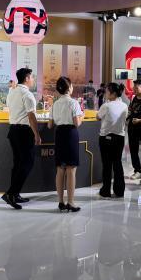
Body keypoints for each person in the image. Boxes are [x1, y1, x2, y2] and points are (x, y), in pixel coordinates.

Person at [2, 68, 41, 210]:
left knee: (18, 164)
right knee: (27, 163)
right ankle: (11, 193)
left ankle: (15, 194)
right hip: (24, 132)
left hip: (13, 131)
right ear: (27, 78)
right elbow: (31, 117)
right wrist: (37, 134)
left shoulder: (12, 91)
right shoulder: (27, 95)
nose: (33, 79)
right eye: (32, 77)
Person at [48, 76, 84, 212]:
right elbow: (77, 123)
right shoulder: (73, 103)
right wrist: (82, 116)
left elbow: (50, 125)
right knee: (71, 169)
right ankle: (71, 202)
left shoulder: (55, 104)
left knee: (60, 169)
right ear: (69, 88)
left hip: (59, 134)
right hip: (70, 134)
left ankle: (60, 202)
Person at [97, 83, 129, 199]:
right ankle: (119, 191)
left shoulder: (106, 106)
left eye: (107, 91)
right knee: (117, 163)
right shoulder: (124, 105)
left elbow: (98, 117)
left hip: (106, 137)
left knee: (107, 165)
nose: (105, 93)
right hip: (119, 138)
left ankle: (106, 190)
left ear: (113, 93)